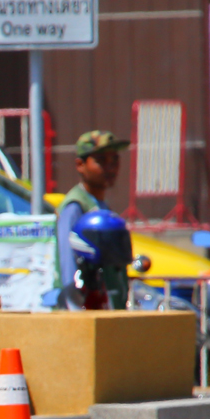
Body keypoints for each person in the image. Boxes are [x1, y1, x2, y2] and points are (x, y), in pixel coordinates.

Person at [55, 130, 131, 308]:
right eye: (101, 160)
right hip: (85, 314)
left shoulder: (100, 206)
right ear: (80, 165)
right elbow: (68, 267)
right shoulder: (75, 207)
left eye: (115, 159)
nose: (110, 167)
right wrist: (76, 315)